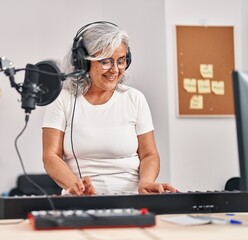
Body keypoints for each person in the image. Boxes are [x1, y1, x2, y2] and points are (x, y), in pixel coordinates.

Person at [42, 21, 177, 196]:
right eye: (105, 62)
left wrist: (146, 181)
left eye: (121, 61)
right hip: (81, 200)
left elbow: (149, 154)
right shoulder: (63, 100)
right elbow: (50, 156)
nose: (115, 70)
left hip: (131, 199)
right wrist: (75, 185)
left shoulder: (135, 99)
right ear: (83, 62)